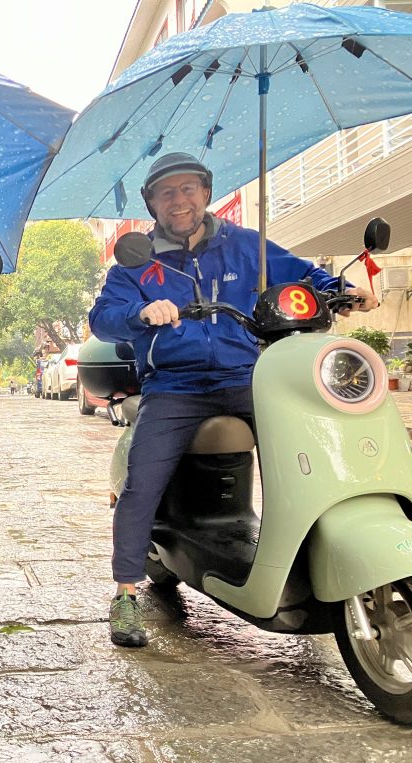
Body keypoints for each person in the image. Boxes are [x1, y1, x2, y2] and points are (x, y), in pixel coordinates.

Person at [89, 152, 379, 648]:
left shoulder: (247, 246)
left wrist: (342, 289)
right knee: (145, 479)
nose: (178, 200)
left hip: (248, 375)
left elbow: (301, 274)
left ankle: (311, 552)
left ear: (205, 192)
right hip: (174, 385)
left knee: (306, 450)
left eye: (187, 189)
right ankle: (125, 594)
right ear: (152, 204)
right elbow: (104, 318)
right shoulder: (139, 262)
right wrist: (142, 312)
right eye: (166, 193)